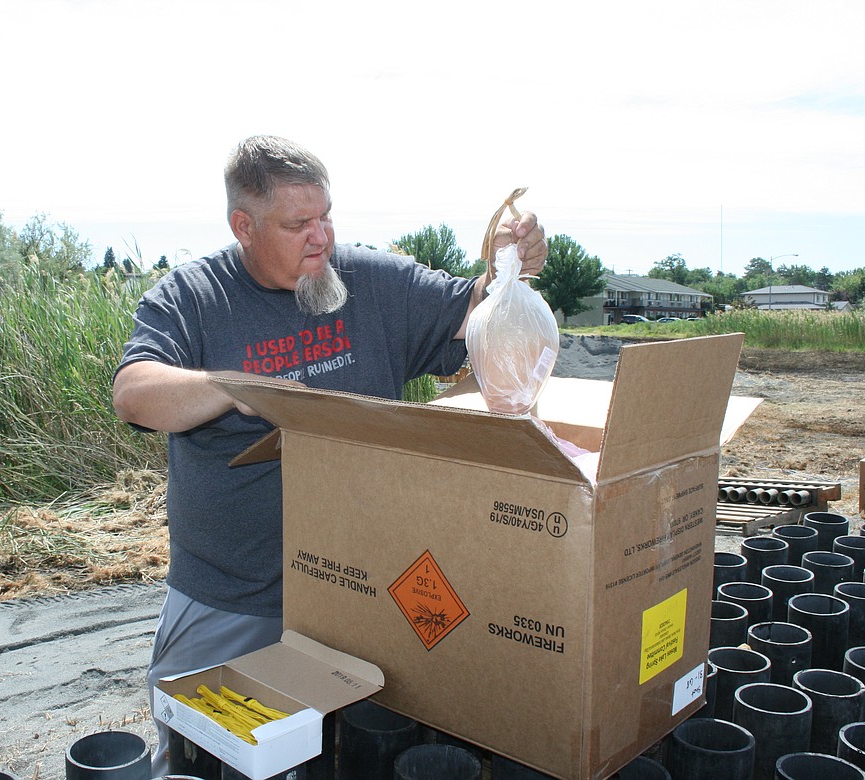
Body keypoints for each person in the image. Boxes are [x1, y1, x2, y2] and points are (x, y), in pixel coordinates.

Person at [111, 135, 546, 774]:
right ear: (243, 226)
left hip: (364, 592)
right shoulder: (195, 298)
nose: (322, 238)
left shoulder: (374, 283)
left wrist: (511, 266)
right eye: (297, 225)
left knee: (354, 755)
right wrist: (235, 388)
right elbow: (134, 393)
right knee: (197, 753)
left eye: (326, 217)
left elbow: (472, 314)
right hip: (233, 595)